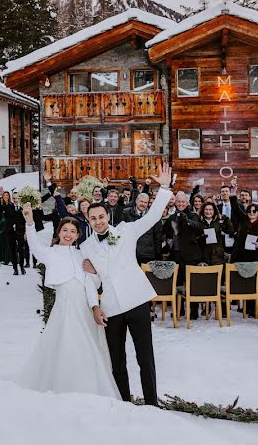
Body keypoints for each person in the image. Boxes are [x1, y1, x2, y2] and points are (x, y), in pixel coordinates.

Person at [81, 162, 173, 406]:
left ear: (107, 216)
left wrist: (163, 187)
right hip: (111, 309)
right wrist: (94, 306)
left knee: (145, 357)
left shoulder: (125, 231)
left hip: (136, 301)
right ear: (88, 220)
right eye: (93, 218)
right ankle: (123, 403)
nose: (98, 221)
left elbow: (153, 216)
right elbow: (91, 281)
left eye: (101, 216)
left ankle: (152, 403)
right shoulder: (86, 247)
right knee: (117, 360)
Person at [18, 205, 120, 399]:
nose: (68, 234)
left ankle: (88, 385)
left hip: (84, 308)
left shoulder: (82, 253)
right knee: (66, 343)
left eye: (73, 231)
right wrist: (29, 222)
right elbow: (34, 245)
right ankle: (64, 384)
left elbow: (92, 282)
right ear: (59, 232)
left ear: (77, 235)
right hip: (65, 307)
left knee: (88, 345)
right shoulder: (51, 253)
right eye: (65, 230)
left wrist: (93, 279)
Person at [168, 191, 204, 318]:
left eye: (183, 202)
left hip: (190, 255)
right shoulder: (172, 217)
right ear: (175, 203)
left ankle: (194, 311)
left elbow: (199, 227)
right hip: (176, 255)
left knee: (191, 283)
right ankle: (179, 309)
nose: (181, 204)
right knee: (177, 283)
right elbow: (168, 233)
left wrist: (187, 220)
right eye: (178, 202)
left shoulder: (193, 215)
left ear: (187, 203)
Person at [199, 201, 234, 266]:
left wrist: (226, 219)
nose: (208, 212)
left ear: (214, 211)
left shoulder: (219, 222)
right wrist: (201, 237)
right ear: (203, 211)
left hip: (217, 256)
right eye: (206, 209)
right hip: (204, 256)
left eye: (210, 209)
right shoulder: (200, 222)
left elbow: (230, 231)